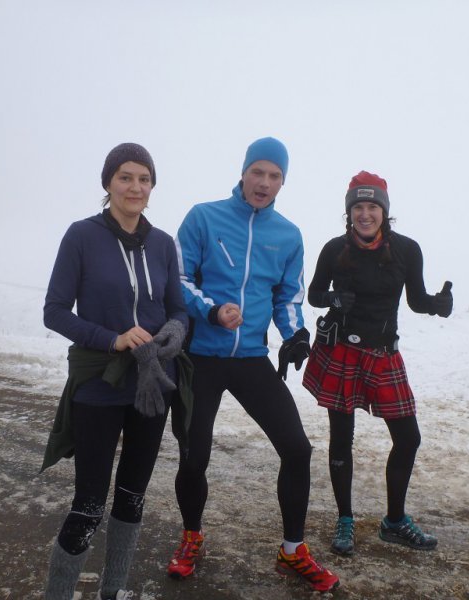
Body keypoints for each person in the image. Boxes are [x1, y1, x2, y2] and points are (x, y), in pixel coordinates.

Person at [166, 137, 339, 593]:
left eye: (274, 175)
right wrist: (212, 311)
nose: (264, 182)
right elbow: (177, 279)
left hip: (250, 359)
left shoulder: (288, 235)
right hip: (200, 358)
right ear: (243, 172)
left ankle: (292, 550)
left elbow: (287, 297)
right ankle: (191, 536)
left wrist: (295, 334)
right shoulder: (204, 217)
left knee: (297, 449)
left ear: (283, 181)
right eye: (257, 172)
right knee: (194, 455)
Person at [40, 143, 189, 600]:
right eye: (125, 177)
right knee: (88, 504)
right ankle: (58, 594)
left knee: (132, 495)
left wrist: (175, 330)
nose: (135, 187)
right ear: (108, 183)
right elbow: (54, 311)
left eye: (144, 179)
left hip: (152, 384)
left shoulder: (162, 244)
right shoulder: (82, 236)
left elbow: (178, 308)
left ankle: (115, 589)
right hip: (99, 385)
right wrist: (113, 339)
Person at [302, 170, 453, 556]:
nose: (365, 214)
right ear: (349, 212)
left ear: (384, 211)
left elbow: (416, 300)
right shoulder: (334, 249)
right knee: (341, 438)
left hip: (383, 353)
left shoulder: (407, 250)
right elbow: (314, 294)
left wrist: (437, 305)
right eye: (358, 207)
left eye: (372, 206)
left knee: (408, 438)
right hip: (342, 352)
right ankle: (345, 519)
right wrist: (333, 299)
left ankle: (395, 521)